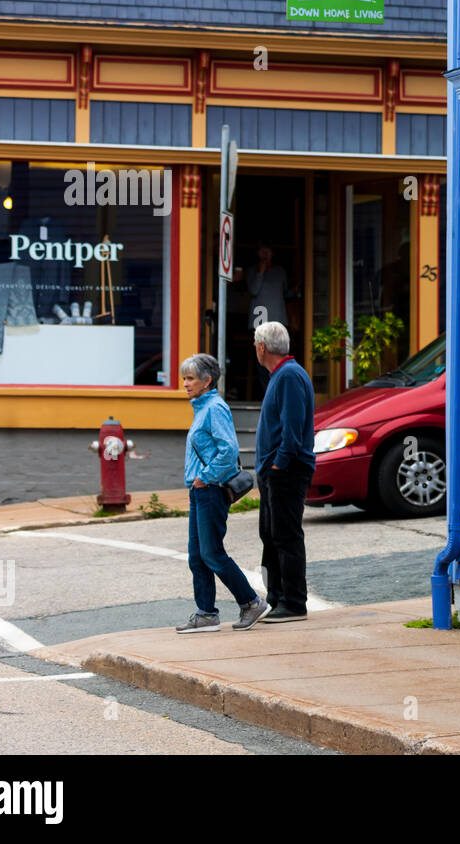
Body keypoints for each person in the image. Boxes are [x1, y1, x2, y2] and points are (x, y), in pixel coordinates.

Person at [176, 353, 271, 633]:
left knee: (212, 553)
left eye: (190, 378)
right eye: (184, 378)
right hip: (200, 491)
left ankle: (251, 603)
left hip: (211, 490)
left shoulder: (215, 408)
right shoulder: (202, 407)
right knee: (197, 555)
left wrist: (204, 479)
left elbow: (229, 450)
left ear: (207, 381)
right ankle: (206, 614)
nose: (185, 383)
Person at [253, 322, 317, 622]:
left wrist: (279, 463)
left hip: (286, 470)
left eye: (256, 344)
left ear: (262, 347)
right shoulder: (283, 375)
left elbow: (292, 428)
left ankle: (293, 602)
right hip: (275, 470)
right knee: (271, 534)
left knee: (286, 535)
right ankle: (276, 597)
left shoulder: (289, 376)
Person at [243, 244, 289, 394]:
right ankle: (267, 392)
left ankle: (279, 390)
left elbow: (285, 292)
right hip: (259, 319)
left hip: (278, 319)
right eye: (261, 251)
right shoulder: (252, 271)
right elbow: (254, 290)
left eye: (267, 251)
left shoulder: (280, 271)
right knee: (262, 358)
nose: (264, 255)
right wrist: (260, 273)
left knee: (279, 356)